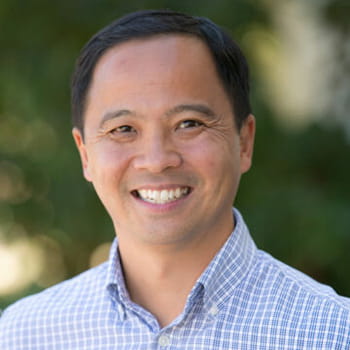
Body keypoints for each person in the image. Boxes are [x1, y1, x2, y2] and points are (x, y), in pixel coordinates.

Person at [0, 9, 349, 349]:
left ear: (244, 142)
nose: (157, 160)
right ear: (85, 154)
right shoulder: (23, 335)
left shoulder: (333, 334)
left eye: (189, 123)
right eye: (123, 129)